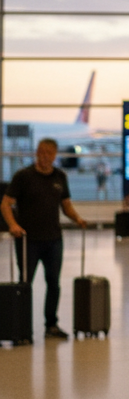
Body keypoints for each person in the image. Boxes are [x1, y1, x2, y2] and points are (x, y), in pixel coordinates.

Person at [1, 138, 88, 339]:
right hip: (27, 241)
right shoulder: (23, 176)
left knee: (53, 283)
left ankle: (51, 325)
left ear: (55, 155)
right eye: (41, 152)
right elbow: (6, 204)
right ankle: (21, 326)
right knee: (24, 284)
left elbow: (66, 205)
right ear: (36, 153)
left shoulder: (60, 177)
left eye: (49, 153)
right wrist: (13, 225)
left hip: (53, 239)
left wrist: (77, 219)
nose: (44, 156)